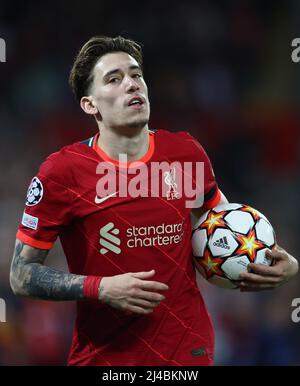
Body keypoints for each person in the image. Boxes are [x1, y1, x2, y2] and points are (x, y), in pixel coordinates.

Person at [10, 35, 298, 366]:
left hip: (186, 353)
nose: (132, 85)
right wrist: (99, 287)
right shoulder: (63, 172)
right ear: (90, 104)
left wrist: (277, 265)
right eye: (114, 79)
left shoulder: (185, 153)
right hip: (105, 359)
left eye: (136, 75)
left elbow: (226, 230)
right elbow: (22, 274)